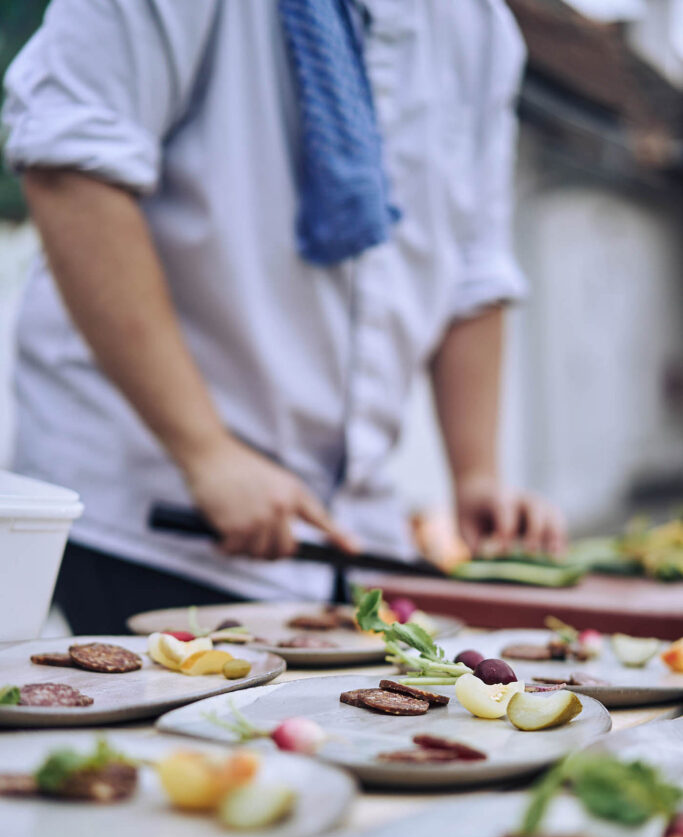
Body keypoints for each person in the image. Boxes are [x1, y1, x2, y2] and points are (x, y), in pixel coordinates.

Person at [2, 0, 566, 634]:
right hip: (156, 512)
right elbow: (71, 163)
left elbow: (472, 265)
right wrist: (207, 452)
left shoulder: (480, 25)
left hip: (349, 545)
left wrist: (477, 475)